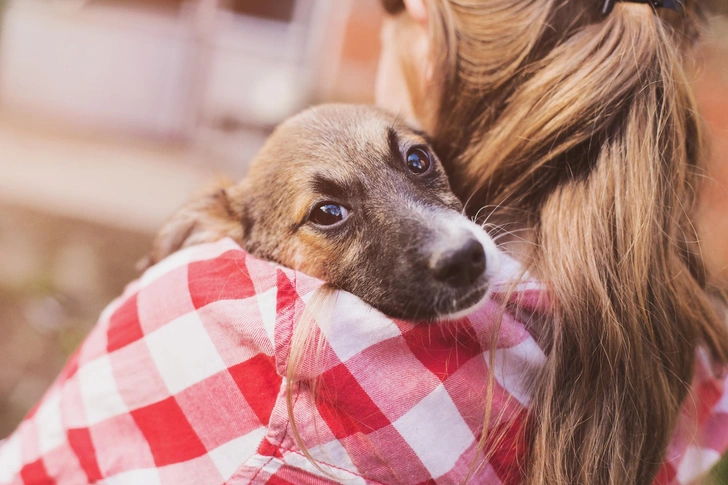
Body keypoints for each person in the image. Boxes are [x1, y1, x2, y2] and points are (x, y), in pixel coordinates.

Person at [1, 0, 727, 484]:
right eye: (328, 214)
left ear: (415, 25)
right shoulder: (665, 360)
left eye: (415, 160)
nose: (450, 241)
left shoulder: (233, 337)